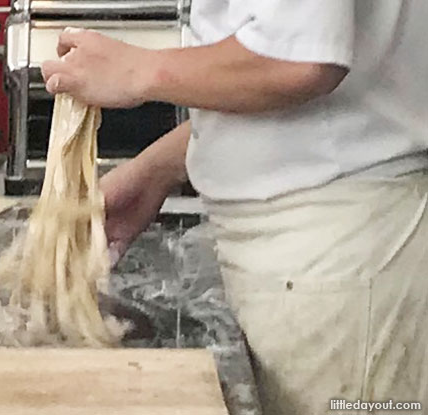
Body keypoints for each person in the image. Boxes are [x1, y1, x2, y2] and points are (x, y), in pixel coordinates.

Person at [39, 1, 428, 414]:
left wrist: (138, 70)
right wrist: (157, 169)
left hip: (336, 261)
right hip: (315, 251)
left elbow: (301, 59)